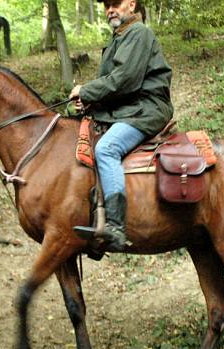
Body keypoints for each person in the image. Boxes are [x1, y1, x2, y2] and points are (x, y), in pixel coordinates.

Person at [69, 0, 173, 252]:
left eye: (115, 3)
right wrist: (87, 103)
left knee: (106, 149)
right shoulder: (119, 37)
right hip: (126, 108)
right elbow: (111, 84)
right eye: (106, 5)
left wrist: (87, 89)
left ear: (131, 4)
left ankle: (115, 225)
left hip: (145, 109)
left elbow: (125, 80)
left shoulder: (139, 33)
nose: (109, 10)